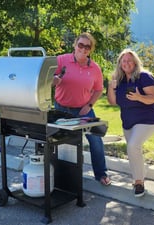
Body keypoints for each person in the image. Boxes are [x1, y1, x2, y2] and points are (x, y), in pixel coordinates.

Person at [53, 32, 111, 186]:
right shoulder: (61, 60)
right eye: (81, 45)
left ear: (90, 49)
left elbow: (98, 89)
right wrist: (54, 80)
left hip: (83, 110)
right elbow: (46, 79)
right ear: (75, 45)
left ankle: (101, 174)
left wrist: (89, 105)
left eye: (87, 46)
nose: (83, 49)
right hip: (61, 109)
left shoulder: (95, 68)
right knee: (58, 141)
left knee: (96, 139)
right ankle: (57, 173)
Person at [107, 49, 154, 197]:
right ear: (120, 64)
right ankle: (141, 174)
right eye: (123, 61)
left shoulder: (144, 76)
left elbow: (153, 98)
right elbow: (112, 101)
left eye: (129, 60)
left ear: (135, 62)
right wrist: (111, 87)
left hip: (147, 120)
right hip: (128, 122)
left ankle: (138, 183)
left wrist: (139, 97)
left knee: (132, 146)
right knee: (133, 151)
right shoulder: (120, 80)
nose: (126, 63)